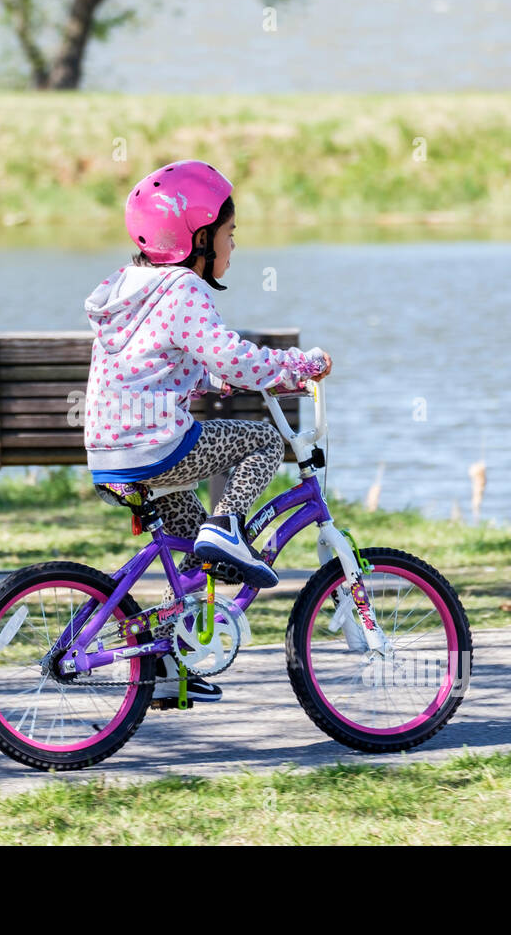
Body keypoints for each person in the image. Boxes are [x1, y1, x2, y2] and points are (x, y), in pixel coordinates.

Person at [83, 159, 331, 701]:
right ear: (198, 237)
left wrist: (218, 377)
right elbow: (233, 356)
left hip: (111, 451)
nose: (233, 245)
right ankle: (227, 525)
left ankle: (169, 662)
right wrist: (295, 367)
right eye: (229, 233)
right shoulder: (183, 290)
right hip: (157, 446)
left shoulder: (131, 288)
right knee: (263, 441)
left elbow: (170, 358)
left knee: (195, 566)